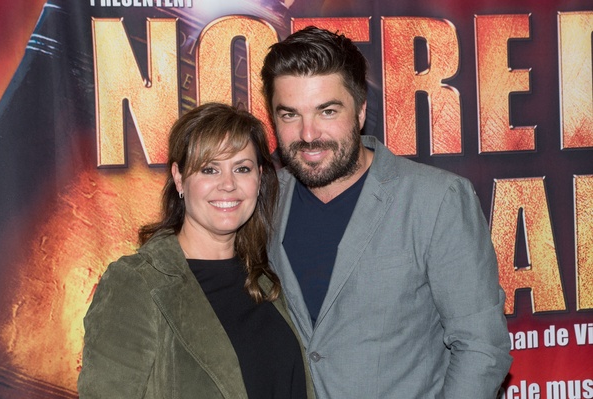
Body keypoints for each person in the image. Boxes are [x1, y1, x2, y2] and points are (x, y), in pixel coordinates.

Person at [260, 26, 512, 398]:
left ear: (360, 111)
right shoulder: (263, 199)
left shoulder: (436, 199)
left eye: (327, 111)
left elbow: (481, 348)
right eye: (289, 115)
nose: (308, 134)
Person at [78, 102, 314, 399]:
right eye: (209, 169)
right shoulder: (136, 283)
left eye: (242, 168)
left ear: (259, 178)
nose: (228, 185)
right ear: (179, 178)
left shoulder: (267, 277)